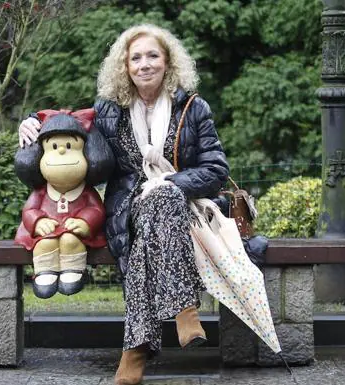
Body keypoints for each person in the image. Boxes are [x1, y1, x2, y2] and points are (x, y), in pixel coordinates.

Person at [19, 24, 229, 385]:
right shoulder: (109, 109)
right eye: (136, 58)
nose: (144, 64)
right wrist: (32, 122)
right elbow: (68, 120)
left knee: (159, 203)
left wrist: (169, 182)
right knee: (149, 214)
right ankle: (184, 309)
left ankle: (136, 349)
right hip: (127, 209)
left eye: (152, 56)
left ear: (168, 62)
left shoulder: (194, 109)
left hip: (184, 208)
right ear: (125, 66)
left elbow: (215, 169)